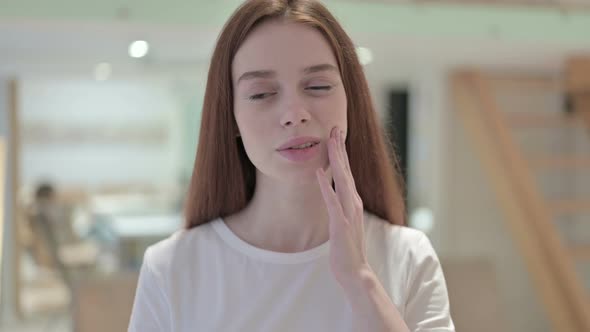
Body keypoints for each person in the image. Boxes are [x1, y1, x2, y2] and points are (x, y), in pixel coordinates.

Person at [128, 0, 455, 331]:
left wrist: (360, 281)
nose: (294, 113)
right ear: (231, 118)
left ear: (349, 100)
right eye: (261, 94)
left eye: (317, 86)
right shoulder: (172, 269)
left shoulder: (408, 257)